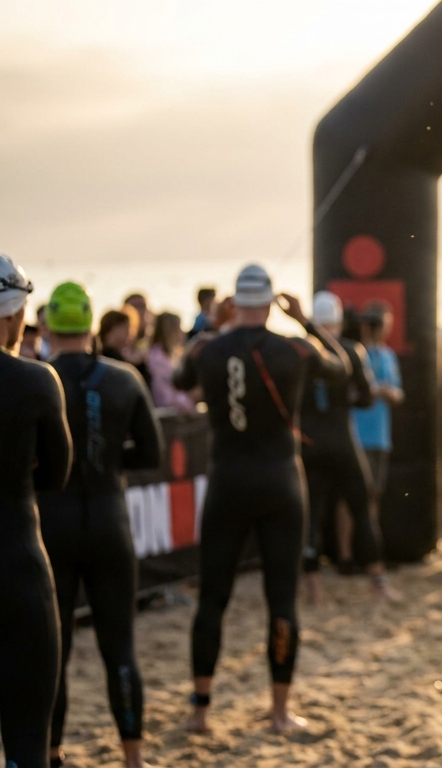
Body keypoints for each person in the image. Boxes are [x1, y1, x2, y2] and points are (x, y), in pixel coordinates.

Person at [174, 264, 349, 733]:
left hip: (227, 482)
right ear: (271, 303)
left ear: (235, 303)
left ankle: (200, 711)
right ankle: (278, 712)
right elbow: (343, 370)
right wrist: (307, 321)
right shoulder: (294, 347)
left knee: (213, 599)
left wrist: (212, 325)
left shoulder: (210, 348)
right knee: (281, 602)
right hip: (280, 484)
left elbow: (178, 376)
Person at [38, 282, 164, 768]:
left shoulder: (35, 379)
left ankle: (52, 752)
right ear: (92, 327)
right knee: (120, 647)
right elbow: (150, 454)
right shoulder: (125, 378)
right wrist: (107, 460)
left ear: (48, 325)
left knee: (55, 650)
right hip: (109, 523)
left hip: (52, 526)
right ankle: (132, 756)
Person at [0, 254, 71, 768]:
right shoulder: (36, 381)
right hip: (16, 560)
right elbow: (55, 476)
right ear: (11, 315)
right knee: (28, 739)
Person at [299, 292, 395, 603]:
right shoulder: (353, 352)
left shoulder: (300, 352)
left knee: (312, 514)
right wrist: (347, 397)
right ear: (339, 322)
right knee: (362, 510)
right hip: (343, 440)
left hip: (310, 443)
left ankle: (313, 586)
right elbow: (367, 398)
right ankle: (378, 581)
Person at [352, 301, 404, 511]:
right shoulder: (356, 353)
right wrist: (373, 390)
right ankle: (346, 545)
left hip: (379, 436)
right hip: (356, 434)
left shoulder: (388, 355)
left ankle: (369, 540)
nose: (385, 330)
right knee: (352, 495)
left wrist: (388, 392)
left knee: (374, 492)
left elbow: (398, 392)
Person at [146, 312, 198, 413]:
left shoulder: (174, 355)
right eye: (179, 328)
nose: (183, 333)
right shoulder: (158, 359)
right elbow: (165, 399)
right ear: (170, 331)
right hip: (167, 419)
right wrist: (192, 397)